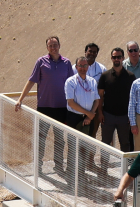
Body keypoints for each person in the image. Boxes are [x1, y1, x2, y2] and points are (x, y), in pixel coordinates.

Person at [17, 36, 77, 174]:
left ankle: (59, 166)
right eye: (50, 45)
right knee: (41, 138)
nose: (53, 48)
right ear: (47, 48)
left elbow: (72, 84)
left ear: (59, 45)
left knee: (59, 139)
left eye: (55, 45)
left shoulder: (66, 63)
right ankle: (38, 166)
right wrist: (20, 99)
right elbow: (31, 81)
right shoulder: (41, 62)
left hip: (62, 107)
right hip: (44, 107)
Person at [97, 47, 135, 151]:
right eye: (114, 57)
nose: (116, 59)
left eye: (119, 57)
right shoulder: (105, 76)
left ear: (123, 58)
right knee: (105, 143)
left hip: (124, 117)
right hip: (107, 116)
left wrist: (131, 115)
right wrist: (100, 113)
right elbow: (100, 95)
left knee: (125, 144)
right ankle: (104, 167)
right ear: (111, 58)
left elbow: (134, 97)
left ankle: (125, 167)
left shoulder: (130, 76)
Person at [64, 55, 100, 139]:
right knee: (73, 145)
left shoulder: (92, 81)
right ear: (76, 67)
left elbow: (96, 100)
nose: (82, 68)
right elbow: (70, 103)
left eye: (85, 66)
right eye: (80, 66)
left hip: (90, 118)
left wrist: (89, 117)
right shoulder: (70, 82)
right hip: (74, 117)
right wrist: (89, 114)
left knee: (88, 146)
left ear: (88, 67)